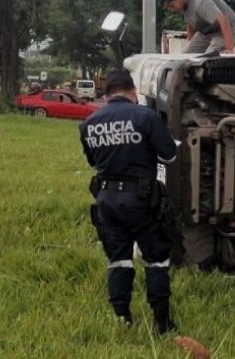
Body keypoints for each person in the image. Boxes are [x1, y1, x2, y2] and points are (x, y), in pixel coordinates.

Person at [80, 69, 179, 335]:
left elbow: (92, 161)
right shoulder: (145, 116)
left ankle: (122, 317)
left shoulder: (89, 122)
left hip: (106, 200)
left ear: (107, 92)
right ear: (133, 91)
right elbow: (169, 156)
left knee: (118, 259)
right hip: (141, 200)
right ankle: (162, 323)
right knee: (156, 258)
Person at [157, 0, 235, 54]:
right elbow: (191, 22)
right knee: (187, 58)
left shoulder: (200, 1)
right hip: (206, 31)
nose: (172, 10)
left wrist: (228, 50)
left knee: (210, 59)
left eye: (171, 6)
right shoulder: (182, 4)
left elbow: (224, 21)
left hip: (227, 29)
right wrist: (190, 42)